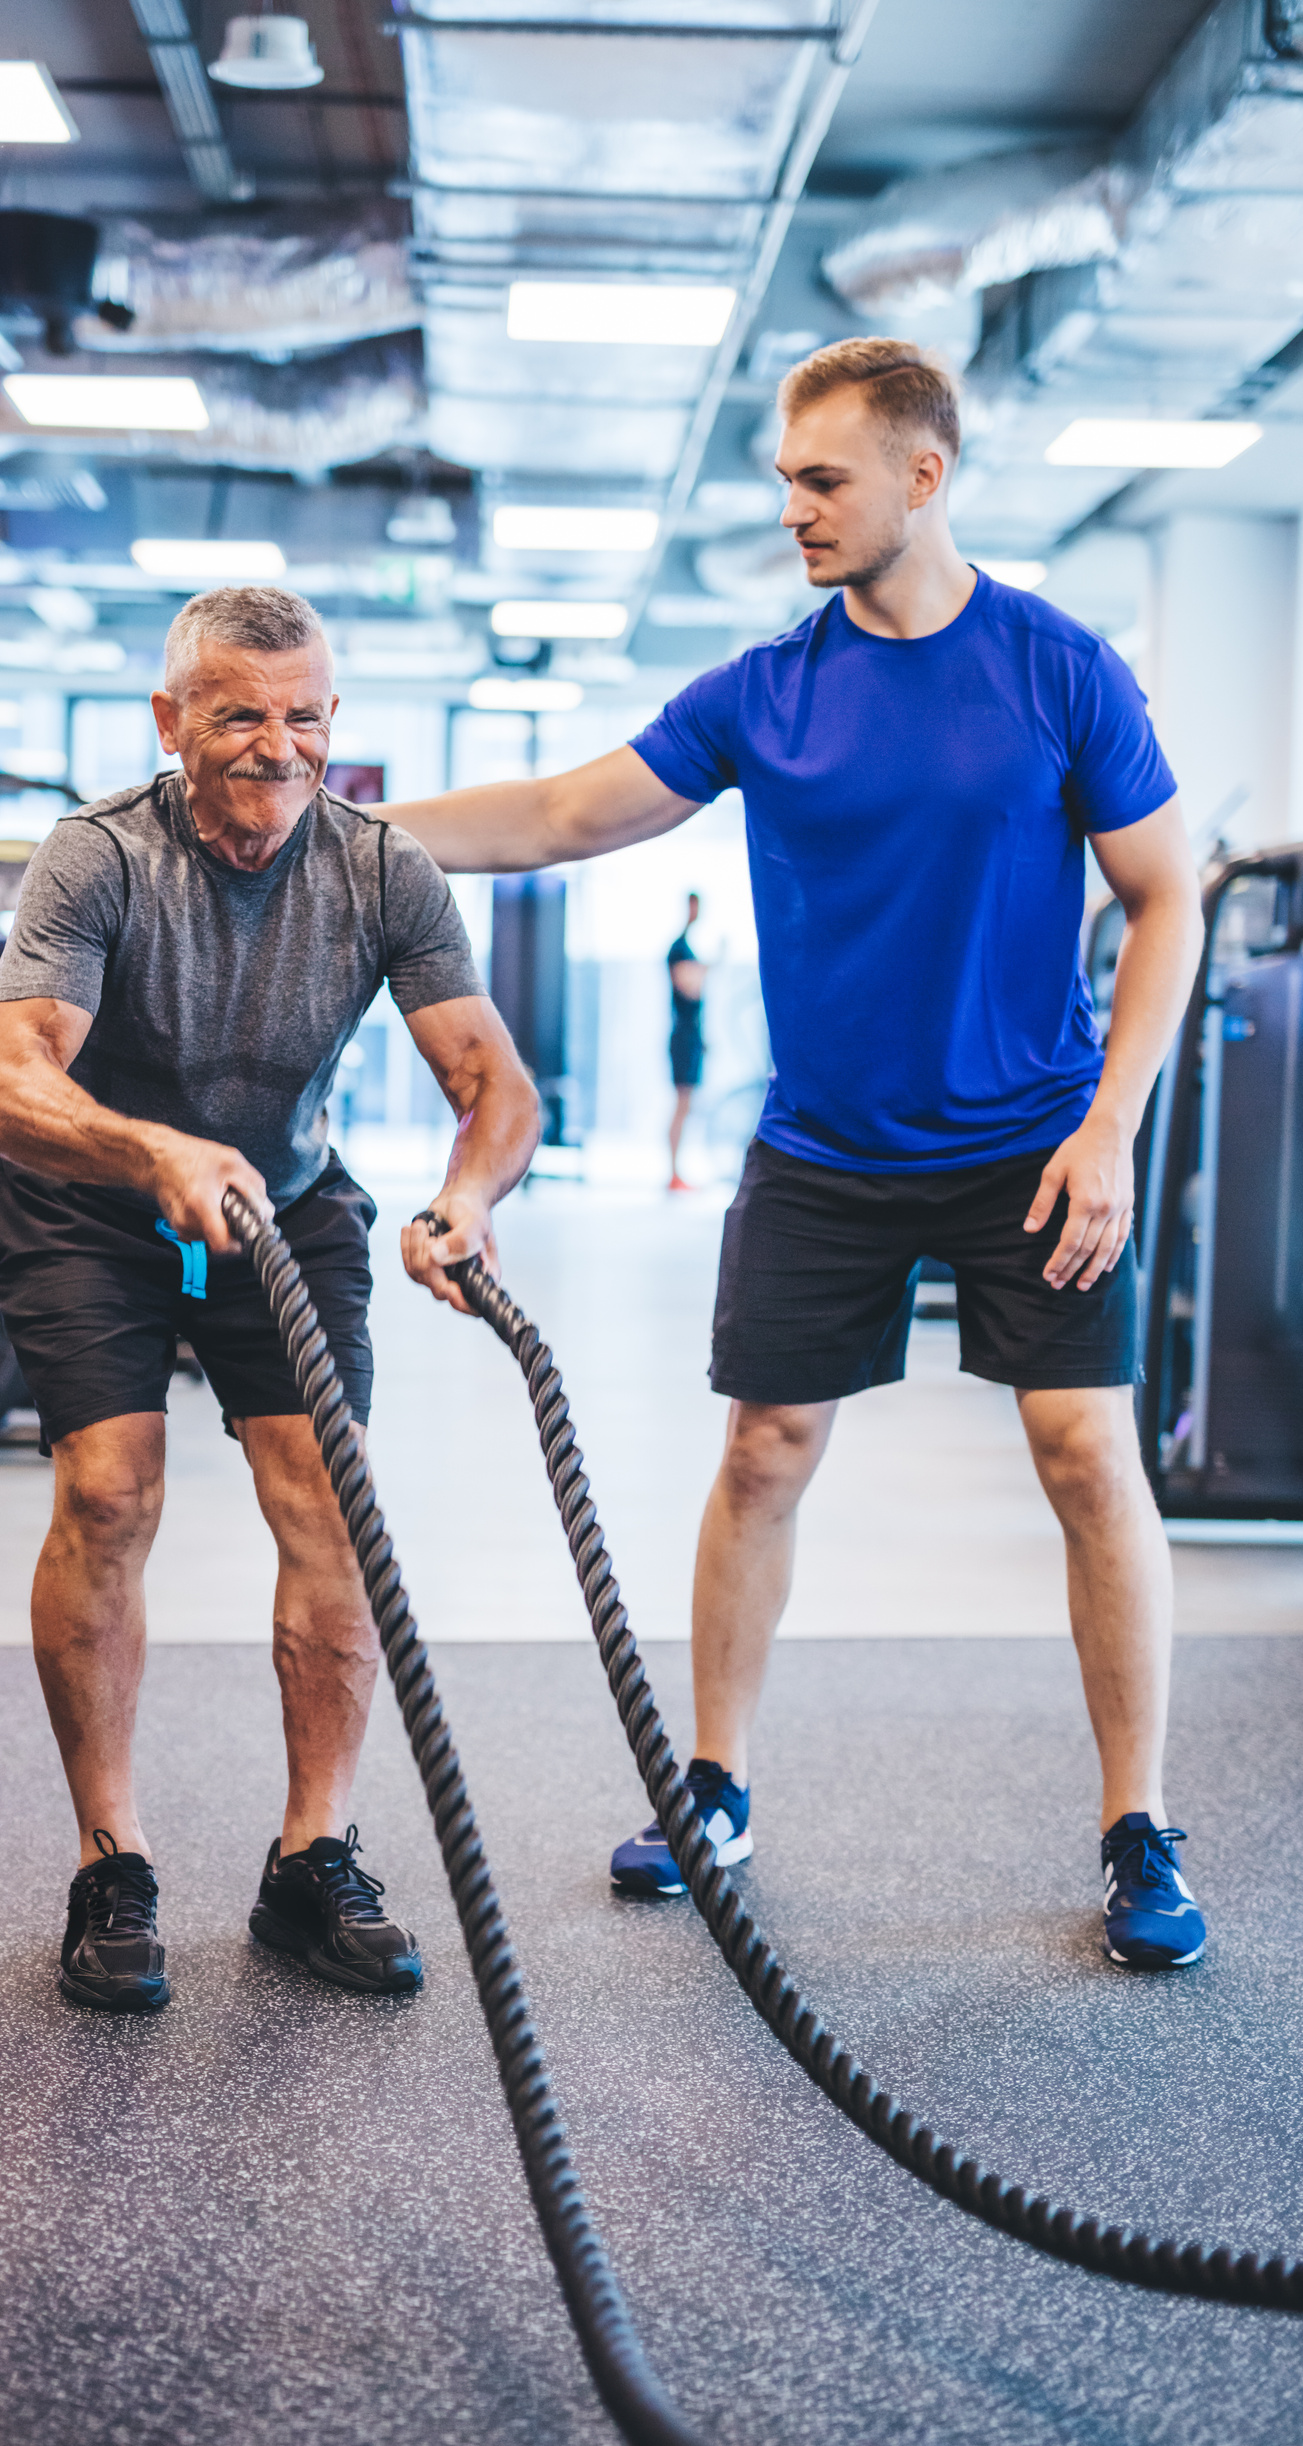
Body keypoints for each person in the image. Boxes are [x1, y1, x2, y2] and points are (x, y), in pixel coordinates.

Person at [383, 337, 1208, 1973]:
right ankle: (716, 1784)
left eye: (822, 480)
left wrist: (1111, 1124)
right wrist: (339, 826)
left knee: (1081, 1455)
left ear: (923, 475)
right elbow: (558, 818)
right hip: (827, 1140)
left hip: (1030, 1137)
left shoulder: (1059, 668)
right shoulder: (770, 690)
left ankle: (1137, 1825)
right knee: (764, 1450)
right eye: (784, 481)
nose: (794, 511)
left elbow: (1165, 895)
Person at [0, 585, 540, 2015]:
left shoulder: (383, 869)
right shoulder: (97, 857)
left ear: (331, 724)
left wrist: (461, 1201)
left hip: (281, 1208)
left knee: (329, 1504)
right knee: (109, 1488)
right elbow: (5, 1084)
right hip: (92, 1199)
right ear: (172, 721)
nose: (274, 747)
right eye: (237, 715)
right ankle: (113, 1858)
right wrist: (147, 1145)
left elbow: (492, 1085)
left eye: (301, 718)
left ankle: (312, 1856)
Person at [666, 890, 707, 1191]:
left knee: (686, 1104)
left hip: (691, 1035)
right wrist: (709, 967)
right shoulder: (678, 949)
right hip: (682, 1036)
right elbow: (689, 988)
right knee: (681, 1104)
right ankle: (673, 1172)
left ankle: (677, 1170)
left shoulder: (688, 949)